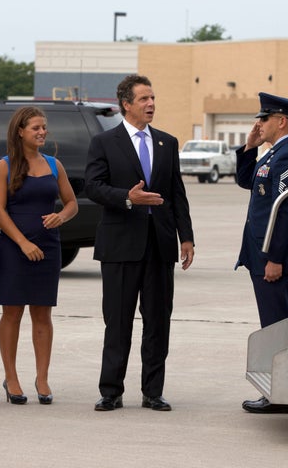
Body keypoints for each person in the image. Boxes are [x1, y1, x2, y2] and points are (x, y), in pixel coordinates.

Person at [85, 74, 195, 412]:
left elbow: (177, 192)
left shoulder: (167, 142)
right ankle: (111, 391)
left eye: (153, 98)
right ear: (126, 104)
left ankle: (153, 391)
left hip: (160, 247)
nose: (151, 104)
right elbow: (93, 186)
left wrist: (186, 236)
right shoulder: (105, 142)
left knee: (158, 321)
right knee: (117, 321)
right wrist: (127, 198)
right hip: (120, 245)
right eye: (144, 99)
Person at [0, 107, 78, 405]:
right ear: (20, 131)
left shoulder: (54, 164)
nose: (42, 132)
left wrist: (61, 217)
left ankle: (42, 377)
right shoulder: (4, 166)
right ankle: (11, 377)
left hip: (49, 248)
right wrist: (22, 242)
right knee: (12, 312)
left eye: (44, 128)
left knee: (42, 314)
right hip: (16, 249)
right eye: (36, 128)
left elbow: (71, 204)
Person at [235, 93, 288, 415]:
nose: (258, 124)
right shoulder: (272, 154)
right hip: (261, 254)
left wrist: (275, 258)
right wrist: (250, 147)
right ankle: (278, 391)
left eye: (263, 119)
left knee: (277, 325)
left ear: (281, 122)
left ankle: (282, 395)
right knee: (272, 325)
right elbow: (246, 182)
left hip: (272, 258)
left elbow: (287, 212)